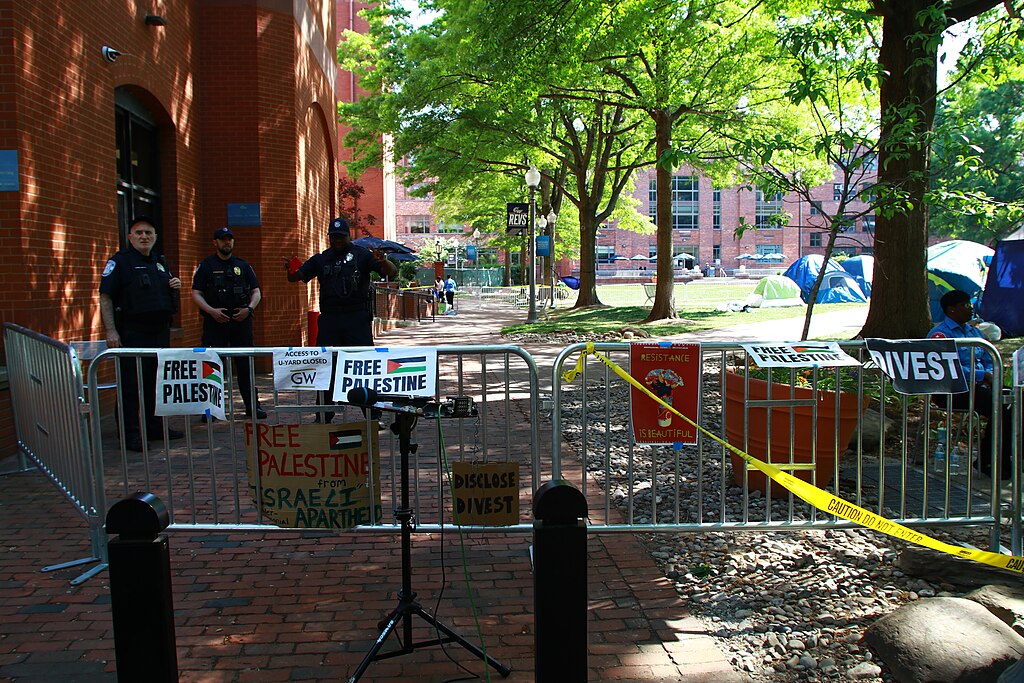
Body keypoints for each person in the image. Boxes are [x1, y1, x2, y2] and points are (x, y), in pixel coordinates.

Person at [286, 217, 397, 422]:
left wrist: (384, 261)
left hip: (356, 319)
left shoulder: (362, 255)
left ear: (348, 236)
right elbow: (297, 277)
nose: (337, 240)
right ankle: (324, 413)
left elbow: (390, 271)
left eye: (341, 236)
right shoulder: (322, 259)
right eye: (333, 237)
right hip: (330, 320)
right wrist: (290, 269)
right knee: (326, 366)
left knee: (363, 366)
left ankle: (373, 414)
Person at [99, 217, 184, 452]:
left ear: (155, 237)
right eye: (139, 233)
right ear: (130, 237)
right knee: (130, 385)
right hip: (132, 332)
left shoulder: (159, 263)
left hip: (159, 332)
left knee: (155, 383)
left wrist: (174, 284)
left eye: (148, 233)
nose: (144, 236)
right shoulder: (120, 263)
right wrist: (111, 330)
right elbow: (105, 296)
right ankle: (130, 435)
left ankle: (154, 428)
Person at [928, 289, 1014, 480]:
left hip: (977, 386)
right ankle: (989, 461)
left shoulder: (972, 331)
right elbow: (946, 369)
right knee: (1001, 406)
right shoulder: (940, 334)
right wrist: (984, 376)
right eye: (966, 305)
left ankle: (1005, 458)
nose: (970, 308)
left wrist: (990, 373)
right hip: (952, 390)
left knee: (1013, 401)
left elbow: (988, 356)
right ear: (951, 309)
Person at [191, 227, 266, 420]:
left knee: (245, 366)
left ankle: (252, 406)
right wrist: (211, 311)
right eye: (223, 240)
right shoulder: (206, 266)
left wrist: (249, 309)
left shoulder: (243, 265)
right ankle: (210, 409)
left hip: (241, 322)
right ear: (215, 242)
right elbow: (196, 293)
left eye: (229, 239)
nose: (227, 243)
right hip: (215, 322)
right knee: (212, 367)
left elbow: (256, 291)